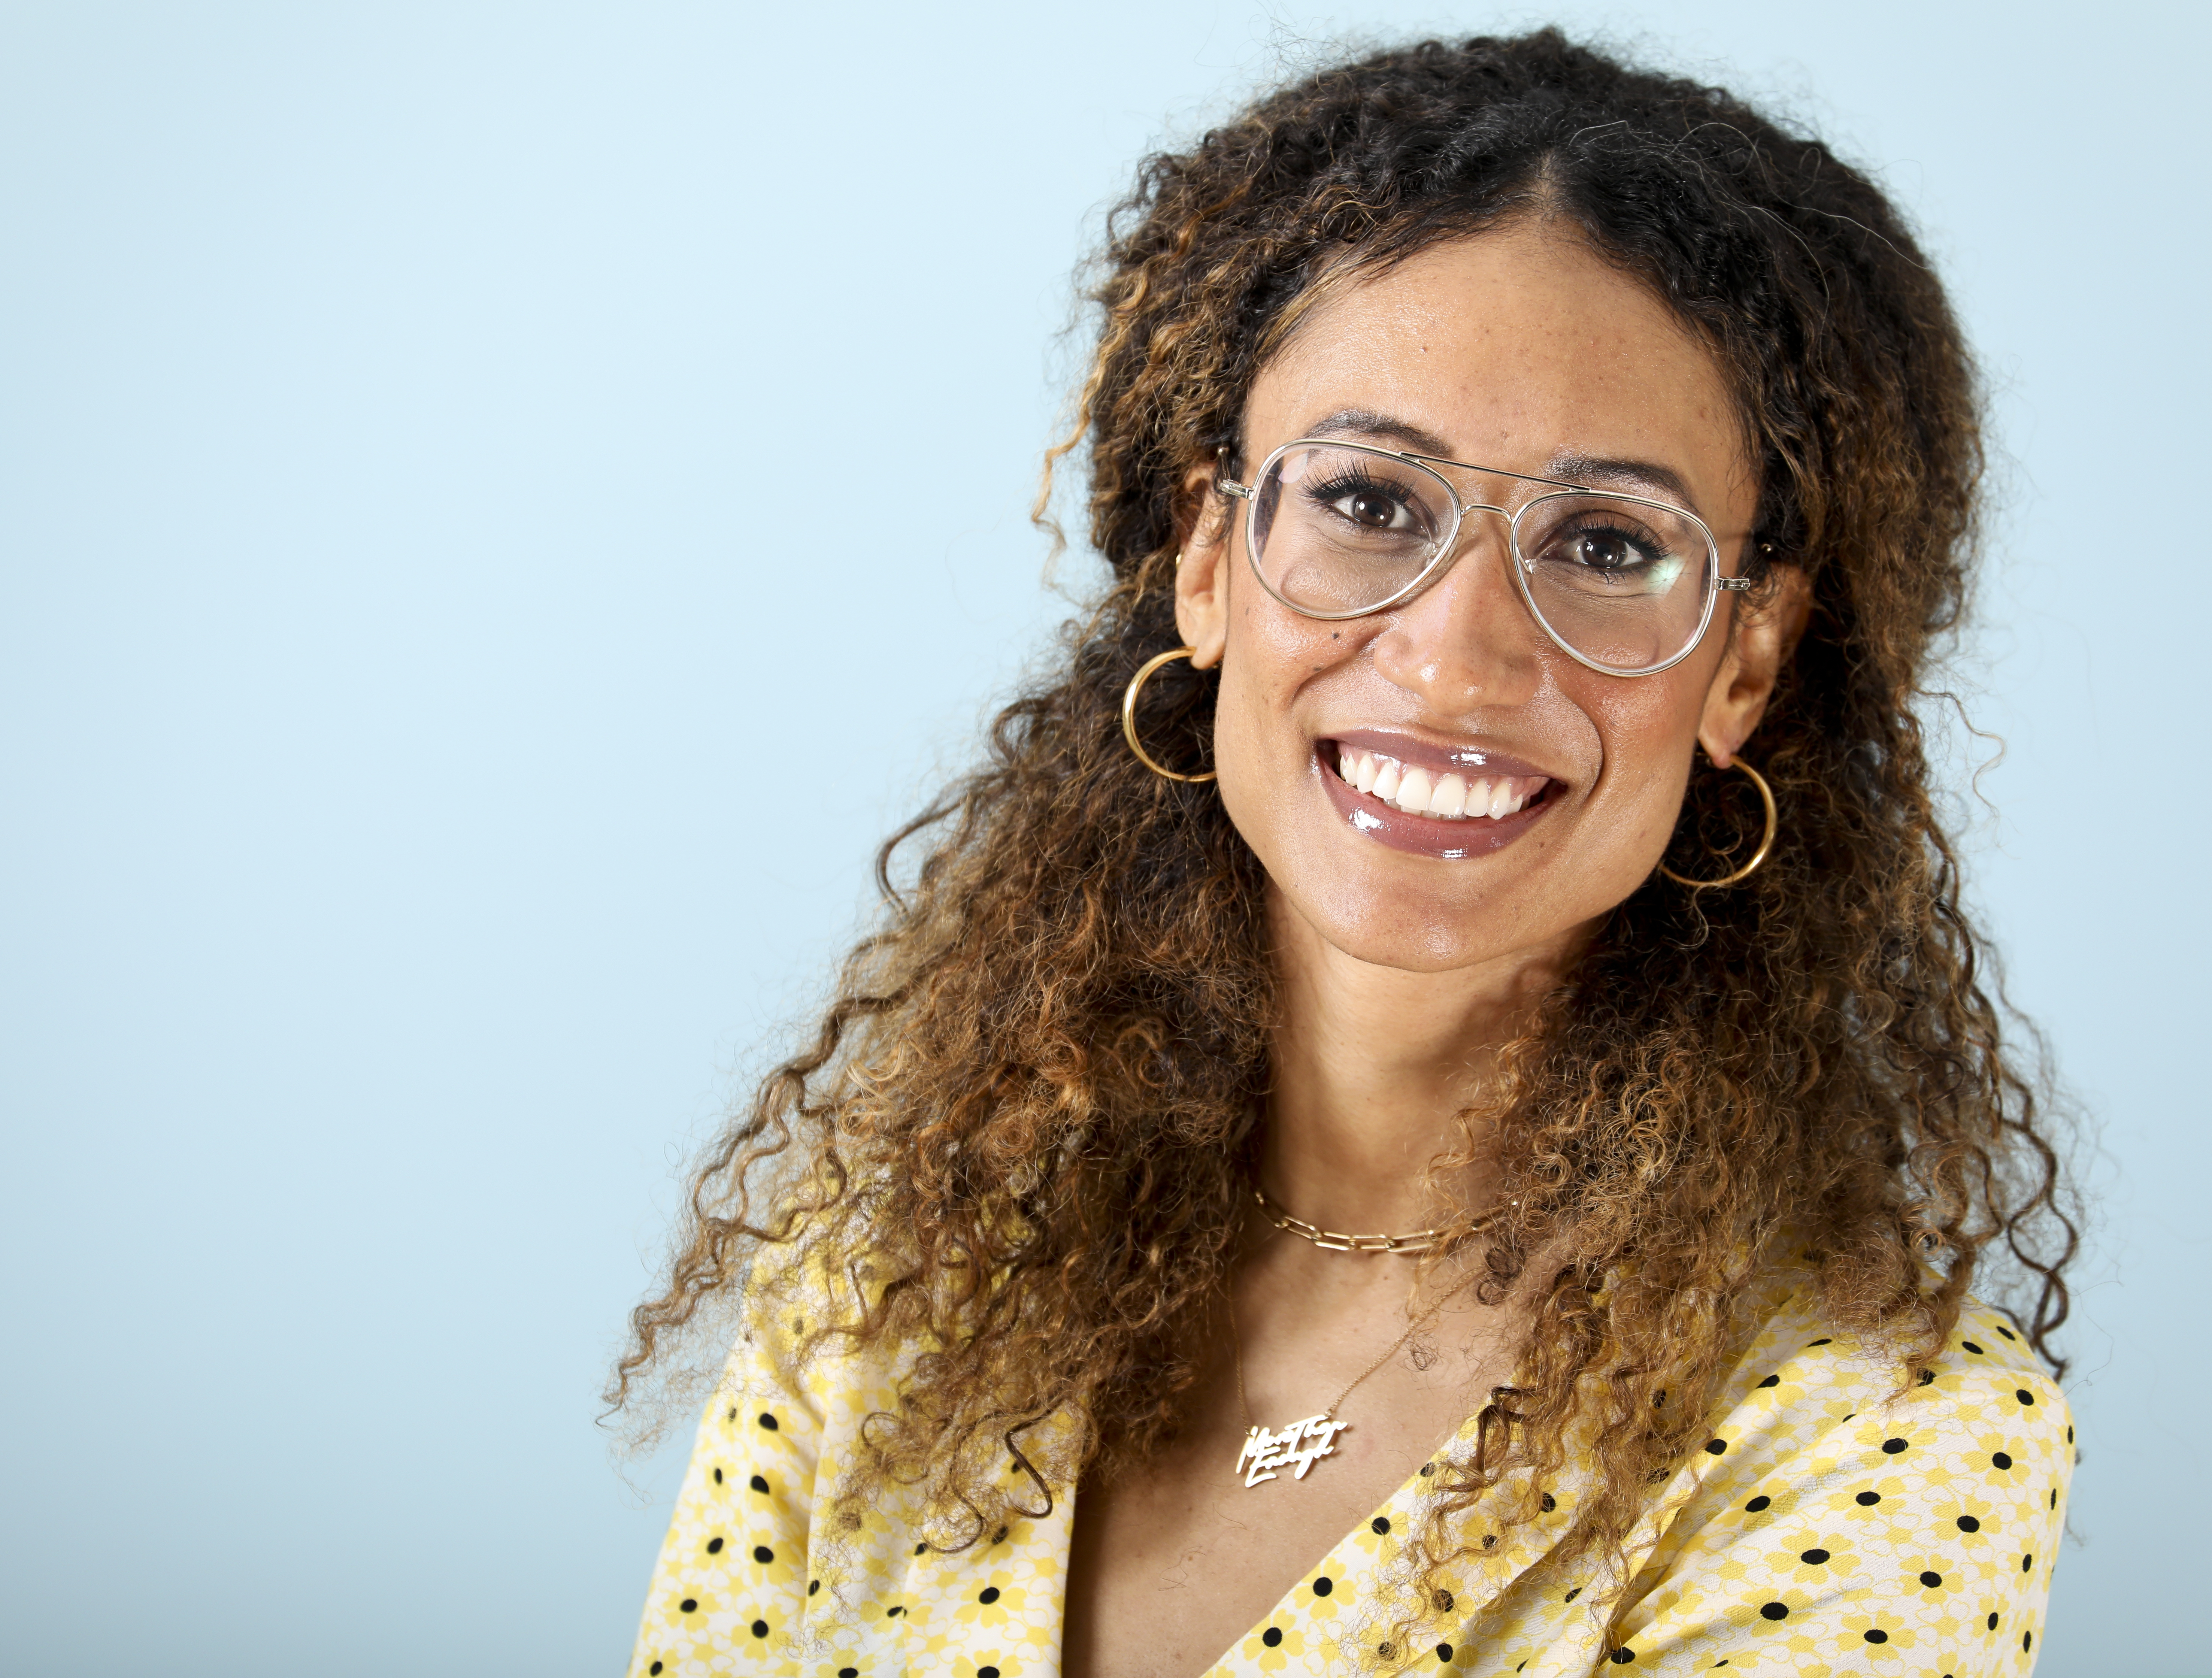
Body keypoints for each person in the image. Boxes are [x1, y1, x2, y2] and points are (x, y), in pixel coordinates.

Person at [613, 28, 2078, 1677]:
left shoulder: (1883, 1433)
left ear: (1746, 660)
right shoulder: (898, 1263)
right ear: (1207, 559)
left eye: (1607, 545)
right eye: (1372, 501)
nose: (1454, 658)